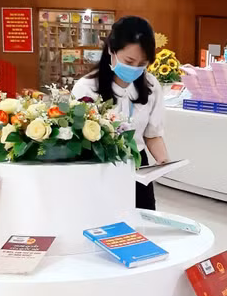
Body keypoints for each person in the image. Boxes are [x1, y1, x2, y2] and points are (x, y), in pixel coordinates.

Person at [71, 16, 168, 210]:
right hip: (100, 167)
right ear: (111, 50)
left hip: (138, 166)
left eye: (142, 63)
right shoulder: (87, 88)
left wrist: (163, 161)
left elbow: (152, 135)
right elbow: (78, 142)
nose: (135, 69)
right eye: (129, 61)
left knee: (142, 224)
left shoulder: (150, 85)